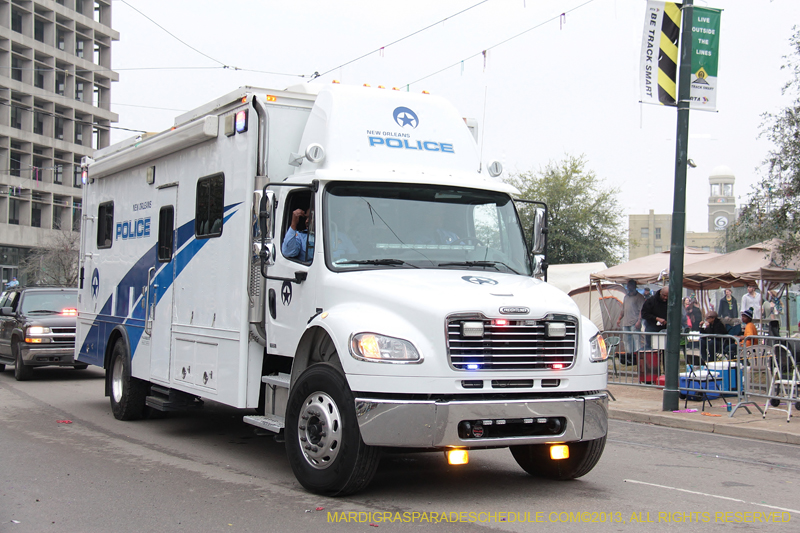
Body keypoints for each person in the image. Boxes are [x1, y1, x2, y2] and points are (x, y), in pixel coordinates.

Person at [616, 279, 645, 360]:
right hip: (625, 322)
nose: (629, 287)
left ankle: (637, 357)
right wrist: (619, 319)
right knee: (626, 341)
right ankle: (629, 357)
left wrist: (639, 321)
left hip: (634, 322)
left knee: (636, 341)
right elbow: (623, 309)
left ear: (634, 286)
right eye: (628, 285)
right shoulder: (626, 297)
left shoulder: (639, 297)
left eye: (630, 285)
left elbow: (641, 310)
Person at [641, 285, 669, 349]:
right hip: (651, 328)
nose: (665, 298)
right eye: (664, 295)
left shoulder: (670, 302)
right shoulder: (650, 301)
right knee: (650, 347)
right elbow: (644, 314)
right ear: (660, 292)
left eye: (667, 296)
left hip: (665, 329)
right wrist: (657, 318)